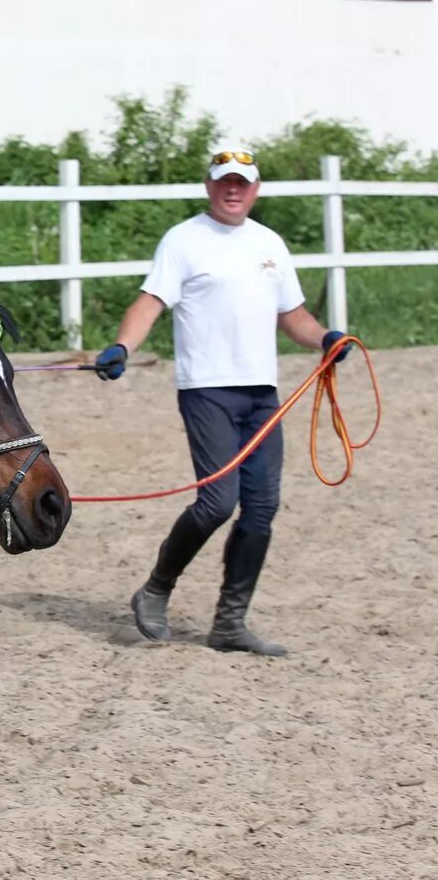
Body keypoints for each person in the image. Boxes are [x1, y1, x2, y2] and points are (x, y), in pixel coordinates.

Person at [94, 149, 349, 656]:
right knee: (217, 502)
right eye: (224, 181)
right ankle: (156, 589)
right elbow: (151, 302)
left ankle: (230, 623)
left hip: (263, 394)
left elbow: (292, 315)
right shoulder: (184, 240)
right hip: (207, 389)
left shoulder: (269, 243)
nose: (233, 190)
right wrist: (124, 346)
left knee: (261, 509)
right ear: (209, 186)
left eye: (243, 183)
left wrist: (325, 339)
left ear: (255, 189)